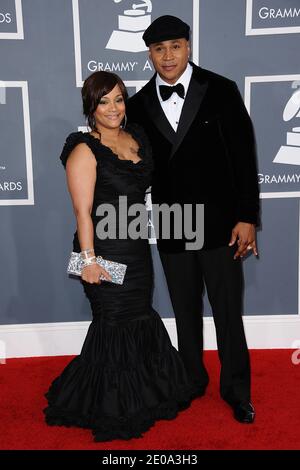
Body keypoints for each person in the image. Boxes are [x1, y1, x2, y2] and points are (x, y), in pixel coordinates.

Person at [43, 71, 201, 442]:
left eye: (118, 99)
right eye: (104, 101)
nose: (113, 108)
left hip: (134, 246)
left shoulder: (136, 138)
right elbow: (82, 212)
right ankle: (111, 404)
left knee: (139, 316)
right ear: (91, 106)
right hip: (104, 252)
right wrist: (88, 261)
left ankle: (144, 394)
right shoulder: (84, 149)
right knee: (113, 323)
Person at [127, 15, 260, 423]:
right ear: (149, 53)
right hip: (171, 222)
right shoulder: (135, 106)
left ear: (188, 46)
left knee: (226, 312)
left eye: (175, 47)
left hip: (222, 223)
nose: (168, 57)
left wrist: (247, 218)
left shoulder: (220, 90)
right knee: (185, 312)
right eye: (159, 49)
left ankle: (237, 391)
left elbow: (243, 157)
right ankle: (190, 381)